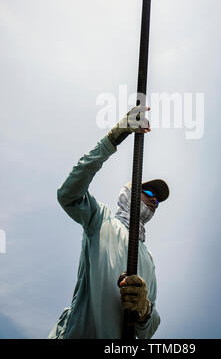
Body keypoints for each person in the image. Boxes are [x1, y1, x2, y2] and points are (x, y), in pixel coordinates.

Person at [48, 106, 169, 339]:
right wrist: (113, 138)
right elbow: (68, 194)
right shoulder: (100, 218)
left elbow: (149, 329)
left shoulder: (149, 260)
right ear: (128, 192)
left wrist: (144, 309)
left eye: (158, 200)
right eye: (148, 193)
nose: (154, 202)